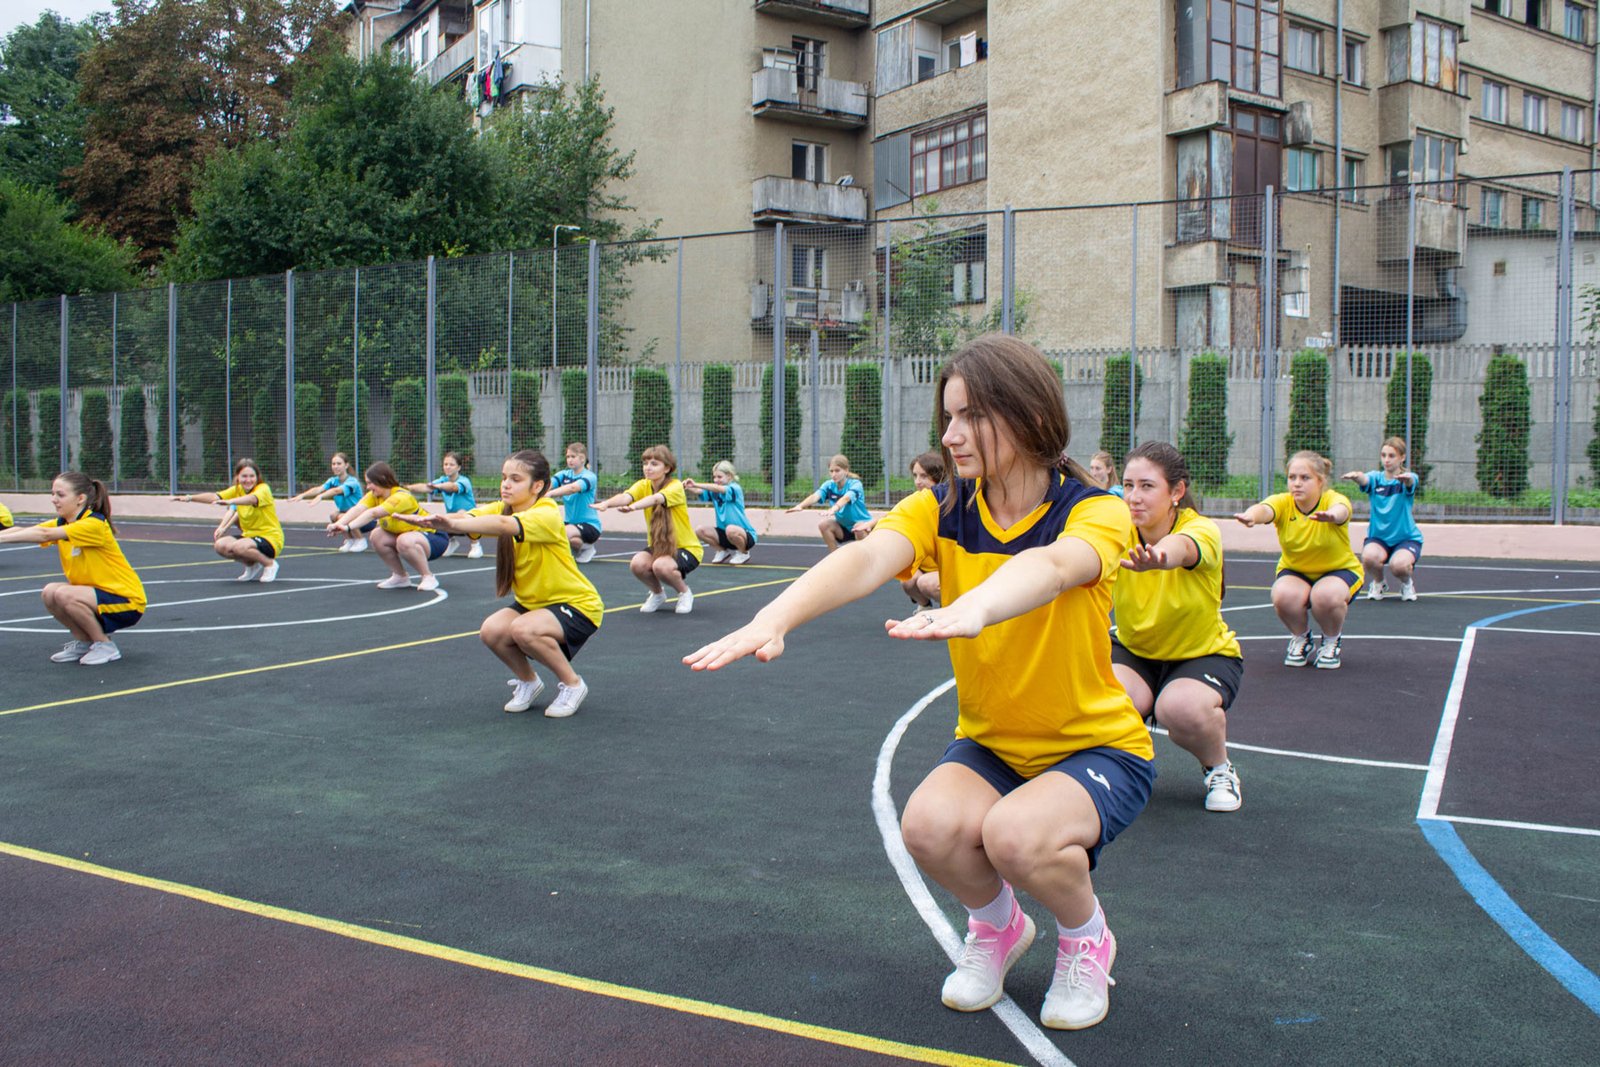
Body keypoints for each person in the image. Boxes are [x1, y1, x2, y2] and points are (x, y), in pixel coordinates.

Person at [686, 335, 1153, 1033]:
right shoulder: (943, 506)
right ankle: (998, 926)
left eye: (971, 416)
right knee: (927, 828)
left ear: (1029, 416)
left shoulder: (1095, 510)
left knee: (1016, 837)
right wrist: (773, 617)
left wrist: (978, 605)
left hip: (1096, 747)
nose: (950, 434)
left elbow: (1054, 567)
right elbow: (868, 557)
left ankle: (1086, 937)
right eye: (949, 416)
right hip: (995, 742)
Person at [406, 450, 602, 717]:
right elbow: (472, 517)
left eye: (516, 479)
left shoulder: (546, 513)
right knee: (492, 631)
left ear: (537, 486)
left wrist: (451, 523)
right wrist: (434, 521)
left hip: (578, 605)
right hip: (535, 604)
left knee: (523, 629)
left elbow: (502, 525)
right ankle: (529, 682)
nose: (506, 484)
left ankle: (573, 684)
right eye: (504, 478)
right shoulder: (504, 507)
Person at [1112, 441, 1244, 812]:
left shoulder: (1200, 528)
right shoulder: (1117, 529)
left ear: (1177, 491)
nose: (1134, 497)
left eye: (1147, 486)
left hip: (1201, 654)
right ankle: (1125, 769)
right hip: (1135, 650)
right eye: (1128, 485)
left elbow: (1182, 548)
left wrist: (1160, 557)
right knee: (1107, 700)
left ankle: (1219, 768)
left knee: (1180, 708)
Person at [0, 471, 146, 665]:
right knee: (50, 592)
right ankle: (85, 642)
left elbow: (44, 535)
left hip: (126, 601)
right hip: (95, 595)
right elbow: (28, 531)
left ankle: (105, 645)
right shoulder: (64, 523)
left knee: (64, 594)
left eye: (60, 495)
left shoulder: (93, 524)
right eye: (52, 494)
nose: (54, 499)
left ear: (80, 499)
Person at [1234, 450, 1362, 669]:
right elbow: (1264, 509)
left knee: (1325, 596)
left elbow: (1342, 510)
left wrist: (1332, 515)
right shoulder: (1284, 503)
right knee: (1282, 595)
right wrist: (1251, 516)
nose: (1297, 483)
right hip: (1297, 571)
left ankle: (1331, 640)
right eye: (1292, 477)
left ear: (1320, 481)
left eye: (1305, 478)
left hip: (1338, 570)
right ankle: (1301, 637)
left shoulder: (1332, 500)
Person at [596, 445, 702, 614]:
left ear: (667, 468)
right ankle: (658, 594)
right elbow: (625, 497)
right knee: (637, 564)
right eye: (645, 463)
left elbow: (656, 499)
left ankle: (684, 593)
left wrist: (633, 507)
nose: (648, 468)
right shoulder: (643, 485)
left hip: (687, 548)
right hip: (660, 546)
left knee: (661, 566)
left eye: (654, 464)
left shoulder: (675, 487)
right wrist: (606, 504)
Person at [330, 461, 446, 592]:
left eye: (370, 483)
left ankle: (428, 576)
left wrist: (348, 527)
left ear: (382, 479)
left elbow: (373, 513)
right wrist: (338, 524)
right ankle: (400, 577)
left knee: (404, 540)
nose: (368, 487)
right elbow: (358, 508)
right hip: (409, 536)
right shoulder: (375, 495)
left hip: (434, 538)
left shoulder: (401, 497)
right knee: (377, 535)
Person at [176, 457, 285, 583]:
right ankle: (251, 565)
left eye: (252, 476)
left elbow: (252, 499)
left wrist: (230, 501)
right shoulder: (237, 490)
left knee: (239, 547)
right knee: (220, 545)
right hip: (249, 536)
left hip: (270, 538)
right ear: (237, 477)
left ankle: (270, 564)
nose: (248, 480)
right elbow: (215, 496)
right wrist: (190, 498)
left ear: (257, 477)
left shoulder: (263, 489)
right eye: (244, 476)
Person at [1341, 436, 1423, 602]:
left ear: (1402, 457)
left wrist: (1407, 479)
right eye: (1383, 455)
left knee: (1399, 566)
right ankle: (1379, 583)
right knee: (1369, 557)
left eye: (1391, 456)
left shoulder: (1408, 478)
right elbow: (1365, 479)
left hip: (1405, 538)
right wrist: (1357, 476)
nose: (1386, 460)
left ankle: (1407, 583)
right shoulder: (1376, 478)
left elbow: (1411, 481)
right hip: (1379, 538)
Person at [788, 454, 873, 551]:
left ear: (846, 470)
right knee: (824, 525)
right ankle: (834, 556)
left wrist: (834, 509)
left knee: (858, 528)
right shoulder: (829, 485)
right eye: (831, 471)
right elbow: (815, 496)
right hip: (845, 528)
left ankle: (864, 557)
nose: (833, 474)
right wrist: (800, 506)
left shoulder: (855, 484)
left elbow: (846, 498)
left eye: (837, 471)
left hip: (864, 527)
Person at [893, 451, 946, 607]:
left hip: (949, 570)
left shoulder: (949, 503)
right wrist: (872, 523)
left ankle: (954, 610)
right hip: (927, 566)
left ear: (938, 476)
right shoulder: (916, 501)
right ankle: (924, 608)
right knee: (907, 580)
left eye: (924, 476)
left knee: (926, 583)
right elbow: (897, 516)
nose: (918, 482)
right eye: (915, 476)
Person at [284, 452, 366, 551]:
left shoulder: (352, 482)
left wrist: (321, 496)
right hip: (346, 515)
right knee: (334, 515)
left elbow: (337, 490)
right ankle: (350, 541)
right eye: (333, 464)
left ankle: (361, 541)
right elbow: (318, 489)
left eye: (339, 464)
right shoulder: (333, 481)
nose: (336, 466)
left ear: (346, 465)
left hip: (363, 518)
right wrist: (303, 495)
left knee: (341, 516)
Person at [407, 451, 481, 559]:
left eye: (451, 465)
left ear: (459, 467)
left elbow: (453, 487)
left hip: (472, 519)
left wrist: (438, 486)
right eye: (445, 464)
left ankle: (476, 545)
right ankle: (451, 542)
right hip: (453, 517)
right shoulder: (442, 480)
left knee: (462, 514)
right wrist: (407, 488)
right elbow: (426, 487)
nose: (448, 467)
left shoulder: (464, 481)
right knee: (441, 519)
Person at [685, 460, 757, 565]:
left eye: (719, 477)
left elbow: (718, 489)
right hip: (725, 534)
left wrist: (696, 484)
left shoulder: (734, 488)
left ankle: (743, 553)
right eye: (714, 477)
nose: (716, 480)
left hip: (743, 535)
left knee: (730, 529)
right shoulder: (714, 491)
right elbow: (699, 492)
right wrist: (688, 487)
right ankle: (722, 551)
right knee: (700, 530)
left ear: (729, 476)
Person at [547, 442, 602, 563]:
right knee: (553, 533)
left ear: (582, 459)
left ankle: (586, 549)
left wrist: (550, 494)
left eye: (573, 456)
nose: (570, 460)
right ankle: (584, 548)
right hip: (570, 523)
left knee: (563, 533)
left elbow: (573, 488)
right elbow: (548, 484)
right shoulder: (563, 474)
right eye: (568, 457)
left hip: (590, 525)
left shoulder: (590, 477)